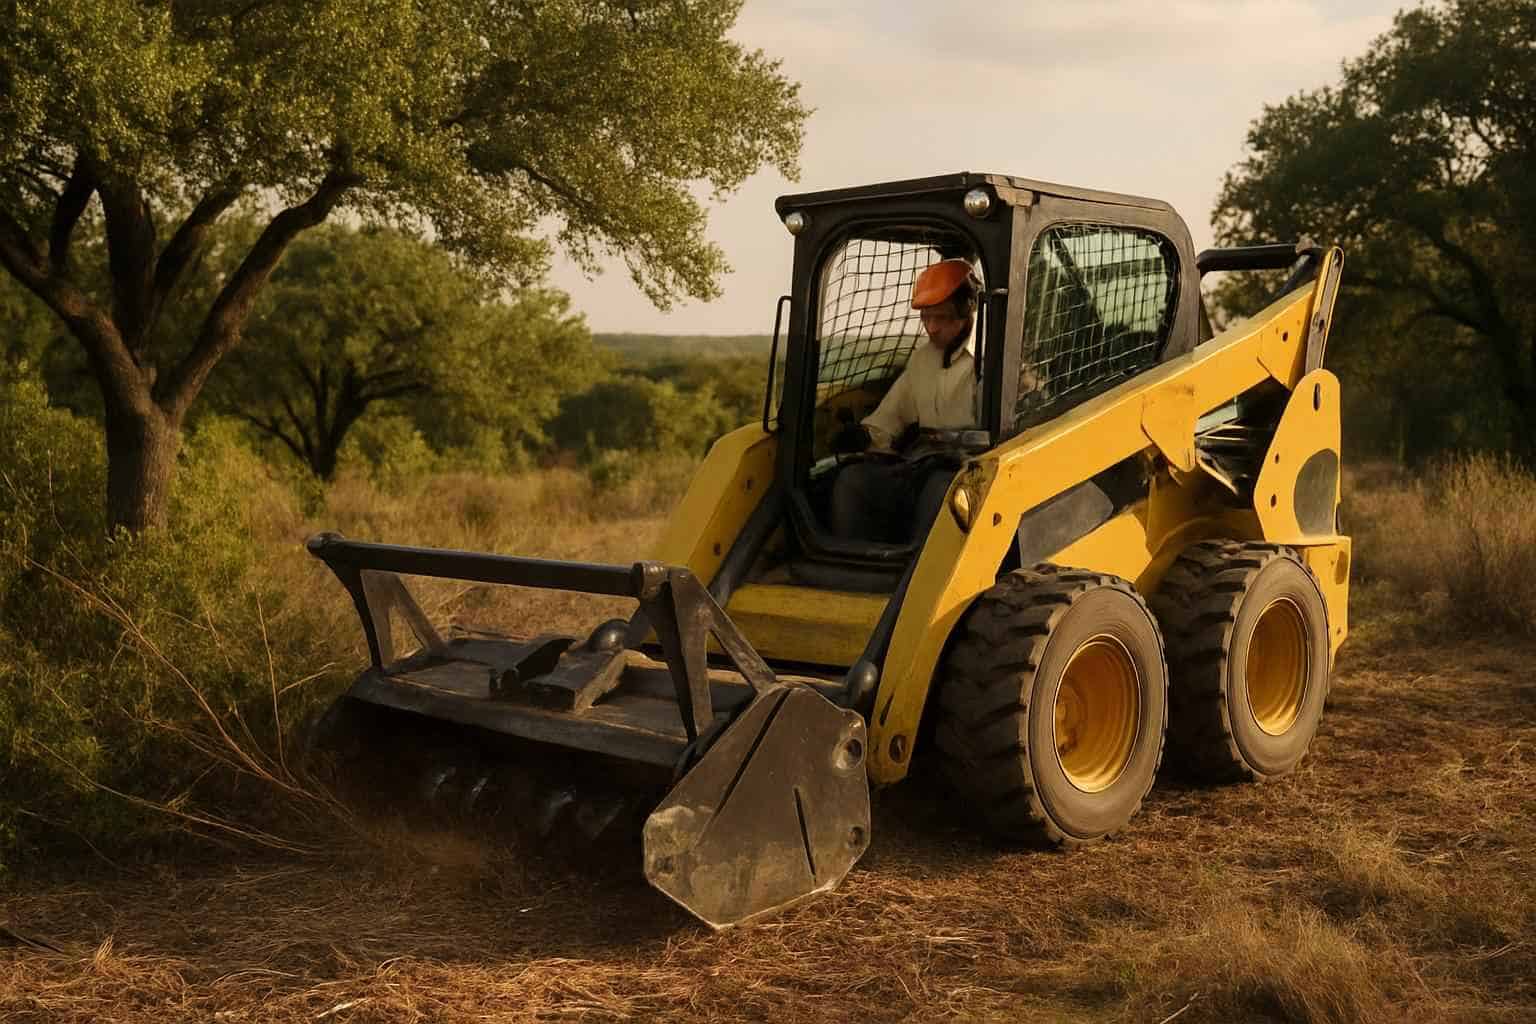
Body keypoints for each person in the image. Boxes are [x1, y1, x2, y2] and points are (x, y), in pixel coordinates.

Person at [829, 258, 980, 543]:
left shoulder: (992, 359)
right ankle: (854, 567)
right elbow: (892, 415)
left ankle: (922, 581)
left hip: (969, 475)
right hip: (921, 465)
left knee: (939, 492)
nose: (931, 328)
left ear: (966, 311)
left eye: (942, 318)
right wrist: (863, 436)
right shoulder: (923, 360)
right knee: (852, 481)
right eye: (926, 318)